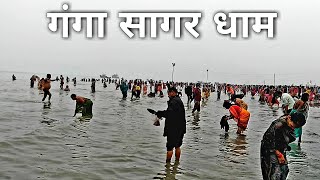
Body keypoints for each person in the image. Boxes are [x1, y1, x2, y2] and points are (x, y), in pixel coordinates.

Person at [260, 112, 306, 180]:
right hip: (269, 150)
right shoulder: (278, 125)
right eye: (293, 126)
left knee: (284, 170)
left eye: (296, 127)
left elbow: (286, 138)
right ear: (289, 118)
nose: (294, 128)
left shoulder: (288, 122)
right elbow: (268, 141)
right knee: (274, 173)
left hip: (280, 149)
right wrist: (279, 154)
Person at [156, 87, 186, 163]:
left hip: (173, 128)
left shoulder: (174, 102)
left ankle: (167, 166)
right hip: (181, 128)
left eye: (168, 93)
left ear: (173, 92)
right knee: (178, 146)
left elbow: (170, 114)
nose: (168, 95)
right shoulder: (179, 100)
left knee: (169, 148)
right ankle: (177, 163)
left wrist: (160, 113)